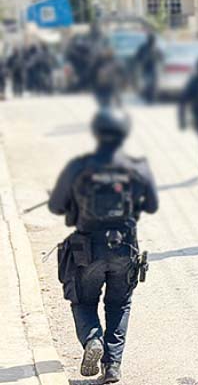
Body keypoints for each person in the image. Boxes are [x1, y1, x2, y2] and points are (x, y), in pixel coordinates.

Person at [48, 108, 159, 384]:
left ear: (96, 132)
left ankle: (92, 339)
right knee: (119, 304)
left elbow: (56, 206)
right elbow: (152, 205)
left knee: (83, 301)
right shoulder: (138, 167)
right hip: (125, 249)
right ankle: (112, 366)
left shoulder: (79, 167)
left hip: (87, 251)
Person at [134, 33, 162, 103]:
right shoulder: (143, 47)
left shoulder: (156, 48)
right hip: (146, 67)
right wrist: (141, 62)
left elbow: (161, 57)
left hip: (154, 67)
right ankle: (148, 98)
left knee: (153, 84)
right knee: (147, 84)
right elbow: (137, 57)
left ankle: (152, 98)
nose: (152, 41)